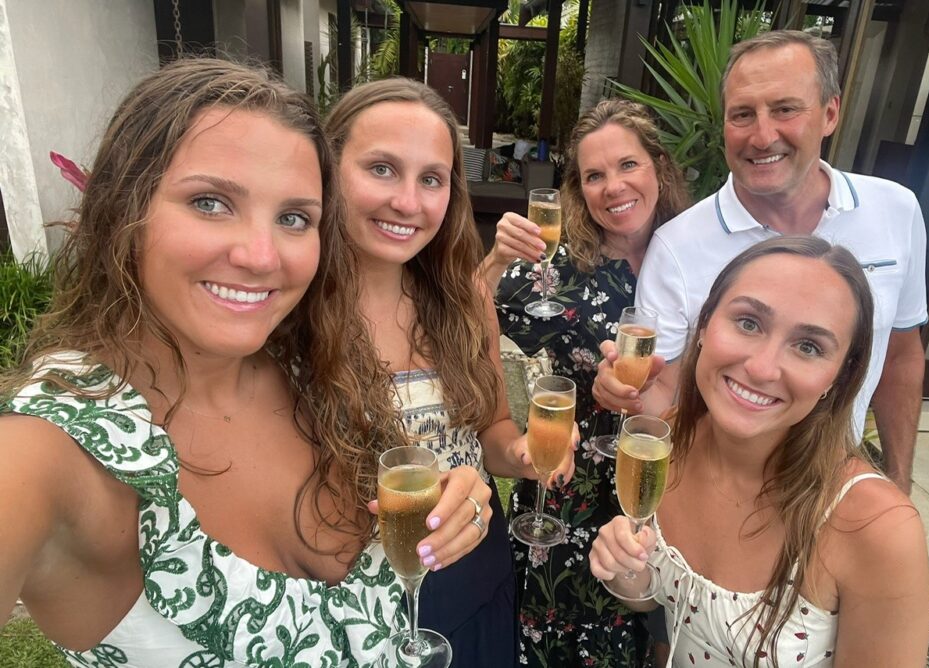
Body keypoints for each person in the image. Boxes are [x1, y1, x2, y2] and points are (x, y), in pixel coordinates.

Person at [0, 58, 490, 667]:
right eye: (210, 202)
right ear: (124, 206)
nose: (262, 256)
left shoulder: (315, 365)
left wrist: (454, 498)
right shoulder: (53, 449)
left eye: (293, 218)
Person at [594, 30, 927, 494]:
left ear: (830, 113)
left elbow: (901, 355)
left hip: (835, 486)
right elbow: (665, 391)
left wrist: (898, 480)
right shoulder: (678, 246)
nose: (763, 135)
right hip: (721, 494)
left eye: (786, 109)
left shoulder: (896, 211)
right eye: (743, 114)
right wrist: (627, 394)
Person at [590, 236, 929, 667]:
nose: (762, 368)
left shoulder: (878, 528)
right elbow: (668, 607)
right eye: (749, 323)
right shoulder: (674, 438)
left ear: (839, 377)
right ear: (707, 323)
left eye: (808, 346)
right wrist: (631, 572)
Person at [324, 77, 575, 666]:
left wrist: (521, 455)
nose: (408, 202)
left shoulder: (463, 298)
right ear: (328, 168)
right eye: (382, 169)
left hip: (470, 577)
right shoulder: (289, 309)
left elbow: (488, 433)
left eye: (431, 178)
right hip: (349, 599)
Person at [481, 99, 690, 666]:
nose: (612, 186)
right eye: (593, 175)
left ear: (659, 169)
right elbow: (462, 322)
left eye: (628, 165)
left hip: (670, 483)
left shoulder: (699, 260)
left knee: (660, 638)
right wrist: (496, 260)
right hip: (570, 494)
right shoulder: (561, 269)